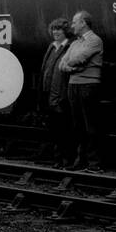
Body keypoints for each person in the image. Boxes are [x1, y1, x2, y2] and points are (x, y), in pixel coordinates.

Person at [59, 9, 104, 172]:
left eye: (74, 22)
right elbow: (62, 64)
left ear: (83, 23)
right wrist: (73, 67)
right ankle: (81, 160)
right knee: (77, 125)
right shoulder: (75, 43)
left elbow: (79, 59)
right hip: (74, 85)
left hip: (88, 86)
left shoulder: (95, 40)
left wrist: (71, 65)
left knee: (90, 125)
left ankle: (94, 163)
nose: (72, 25)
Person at [38, 17, 73, 167]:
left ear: (66, 31)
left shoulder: (70, 47)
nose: (55, 32)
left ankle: (66, 158)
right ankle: (57, 158)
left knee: (64, 127)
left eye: (59, 29)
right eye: (53, 29)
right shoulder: (52, 47)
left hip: (61, 94)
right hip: (49, 92)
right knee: (54, 128)